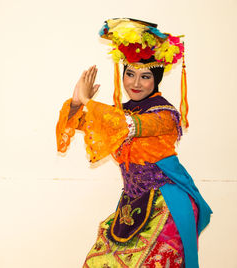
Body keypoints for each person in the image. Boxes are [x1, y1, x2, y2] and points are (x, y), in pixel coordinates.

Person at [56, 18, 212, 268]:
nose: (135, 83)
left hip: (167, 206)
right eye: (130, 74)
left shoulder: (164, 115)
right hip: (131, 206)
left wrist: (90, 103)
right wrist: (77, 102)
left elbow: (127, 126)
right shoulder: (122, 111)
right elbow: (82, 123)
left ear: (156, 80)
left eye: (145, 76)